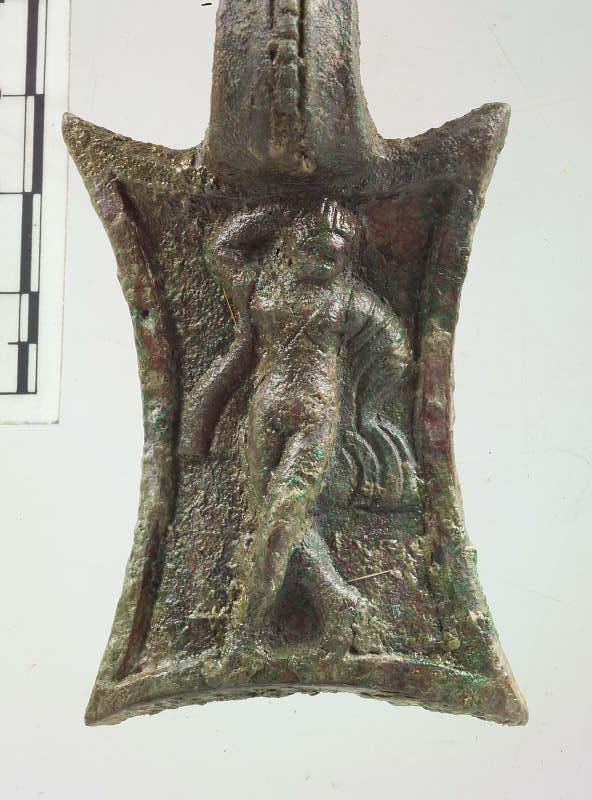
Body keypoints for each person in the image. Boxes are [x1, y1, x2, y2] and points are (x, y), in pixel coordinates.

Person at [183, 198, 419, 657]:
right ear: (290, 245)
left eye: (335, 255)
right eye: (315, 248)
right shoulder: (263, 281)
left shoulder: (349, 299)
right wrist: (274, 214)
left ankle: (245, 632)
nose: (325, 261)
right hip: (265, 408)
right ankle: (341, 601)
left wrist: (365, 406)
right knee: (274, 516)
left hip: (314, 414)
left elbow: (396, 351)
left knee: (280, 516)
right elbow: (220, 249)